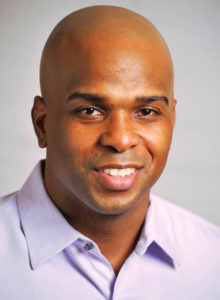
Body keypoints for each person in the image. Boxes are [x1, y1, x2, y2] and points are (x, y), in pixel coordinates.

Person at [0, 5, 220, 300]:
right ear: (42, 123)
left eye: (146, 111)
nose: (120, 139)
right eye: (90, 111)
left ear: (171, 120)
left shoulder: (212, 260)